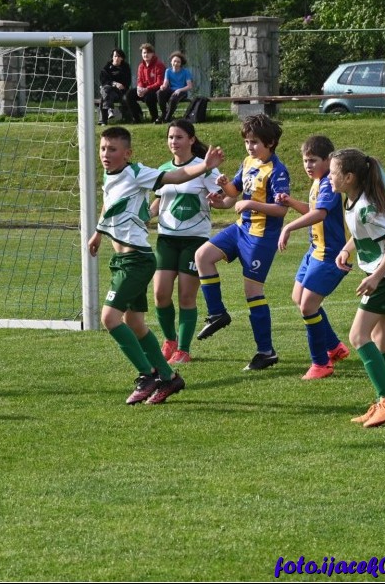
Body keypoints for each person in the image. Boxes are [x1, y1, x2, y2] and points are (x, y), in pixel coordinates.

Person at [87, 126, 224, 405]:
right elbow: (108, 204)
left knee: (109, 319)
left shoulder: (136, 172)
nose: (105, 154)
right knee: (135, 323)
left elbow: (175, 175)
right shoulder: (109, 174)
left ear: (127, 153)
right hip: (123, 259)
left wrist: (204, 167)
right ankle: (168, 377)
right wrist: (98, 233)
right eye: (103, 148)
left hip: (136, 259)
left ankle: (146, 375)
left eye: (112, 149)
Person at [193, 114, 290, 371]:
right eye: (247, 141)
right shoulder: (248, 162)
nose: (249, 147)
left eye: (255, 142)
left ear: (270, 143)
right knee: (202, 256)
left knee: (253, 293)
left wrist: (250, 204)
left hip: (261, 237)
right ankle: (217, 313)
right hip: (240, 229)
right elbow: (235, 195)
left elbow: (281, 210)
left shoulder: (278, 172)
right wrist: (221, 197)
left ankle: (266, 352)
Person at [329, 148, 385, 428]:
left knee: (358, 336)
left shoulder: (367, 206)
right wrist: (346, 249)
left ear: (349, 177)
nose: (329, 177)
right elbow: (360, 233)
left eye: (333, 173)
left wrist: (376, 277)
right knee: (381, 337)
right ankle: (384, 401)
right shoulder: (351, 202)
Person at [276, 135, 352, 380]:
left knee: (308, 306)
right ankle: (334, 347)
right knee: (299, 298)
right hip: (314, 251)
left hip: (330, 255)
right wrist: (290, 202)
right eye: (305, 161)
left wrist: (288, 227)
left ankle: (321, 363)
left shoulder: (330, 184)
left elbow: (319, 214)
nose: (308, 165)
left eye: (313, 160)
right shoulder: (318, 182)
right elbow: (313, 210)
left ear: (328, 160)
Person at [150, 119, 223, 366]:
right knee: (160, 294)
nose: (174, 142)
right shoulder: (164, 170)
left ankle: (183, 349)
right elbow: (159, 202)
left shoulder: (206, 168)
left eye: (179, 137)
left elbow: (225, 198)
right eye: (171, 137)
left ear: (191, 139)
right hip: (166, 239)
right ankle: (169, 340)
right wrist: (140, 215)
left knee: (186, 297)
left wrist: (218, 199)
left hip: (195, 240)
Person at [124, 43, 166, 124]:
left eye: (148, 52)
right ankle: (137, 118)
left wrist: (147, 89)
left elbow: (160, 82)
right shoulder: (141, 66)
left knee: (149, 97)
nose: (146, 54)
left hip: (156, 90)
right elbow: (139, 79)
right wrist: (139, 88)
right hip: (144, 89)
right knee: (129, 94)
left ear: (152, 54)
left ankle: (154, 117)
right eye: (144, 53)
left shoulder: (159, 65)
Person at [157, 51, 195, 124]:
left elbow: (189, 86)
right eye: (174, 61)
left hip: (182, 91)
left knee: (173, 98)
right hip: (171, 90)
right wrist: (162, 87)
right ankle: (164, 114)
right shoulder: (168, 71)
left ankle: (167, 118)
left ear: (181, 64)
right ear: (171, 62)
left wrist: (179, 90)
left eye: (178, 62)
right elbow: (165, 83)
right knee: (159, 93)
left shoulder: (185, 72)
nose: (176, 63)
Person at [98, 48, 131, 126]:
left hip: (120, 92)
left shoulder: (125, 68)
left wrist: (120, 85)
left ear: (122, 58)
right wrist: (114, 83)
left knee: (104, 94)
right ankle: (108, 110)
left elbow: (127, 82)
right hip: (110, 91)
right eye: (115, 56)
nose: (117, 58)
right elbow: (103, 81)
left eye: (119, 56)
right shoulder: (106, 68)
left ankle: (104, 120)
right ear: (112, 57)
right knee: (106, 90)